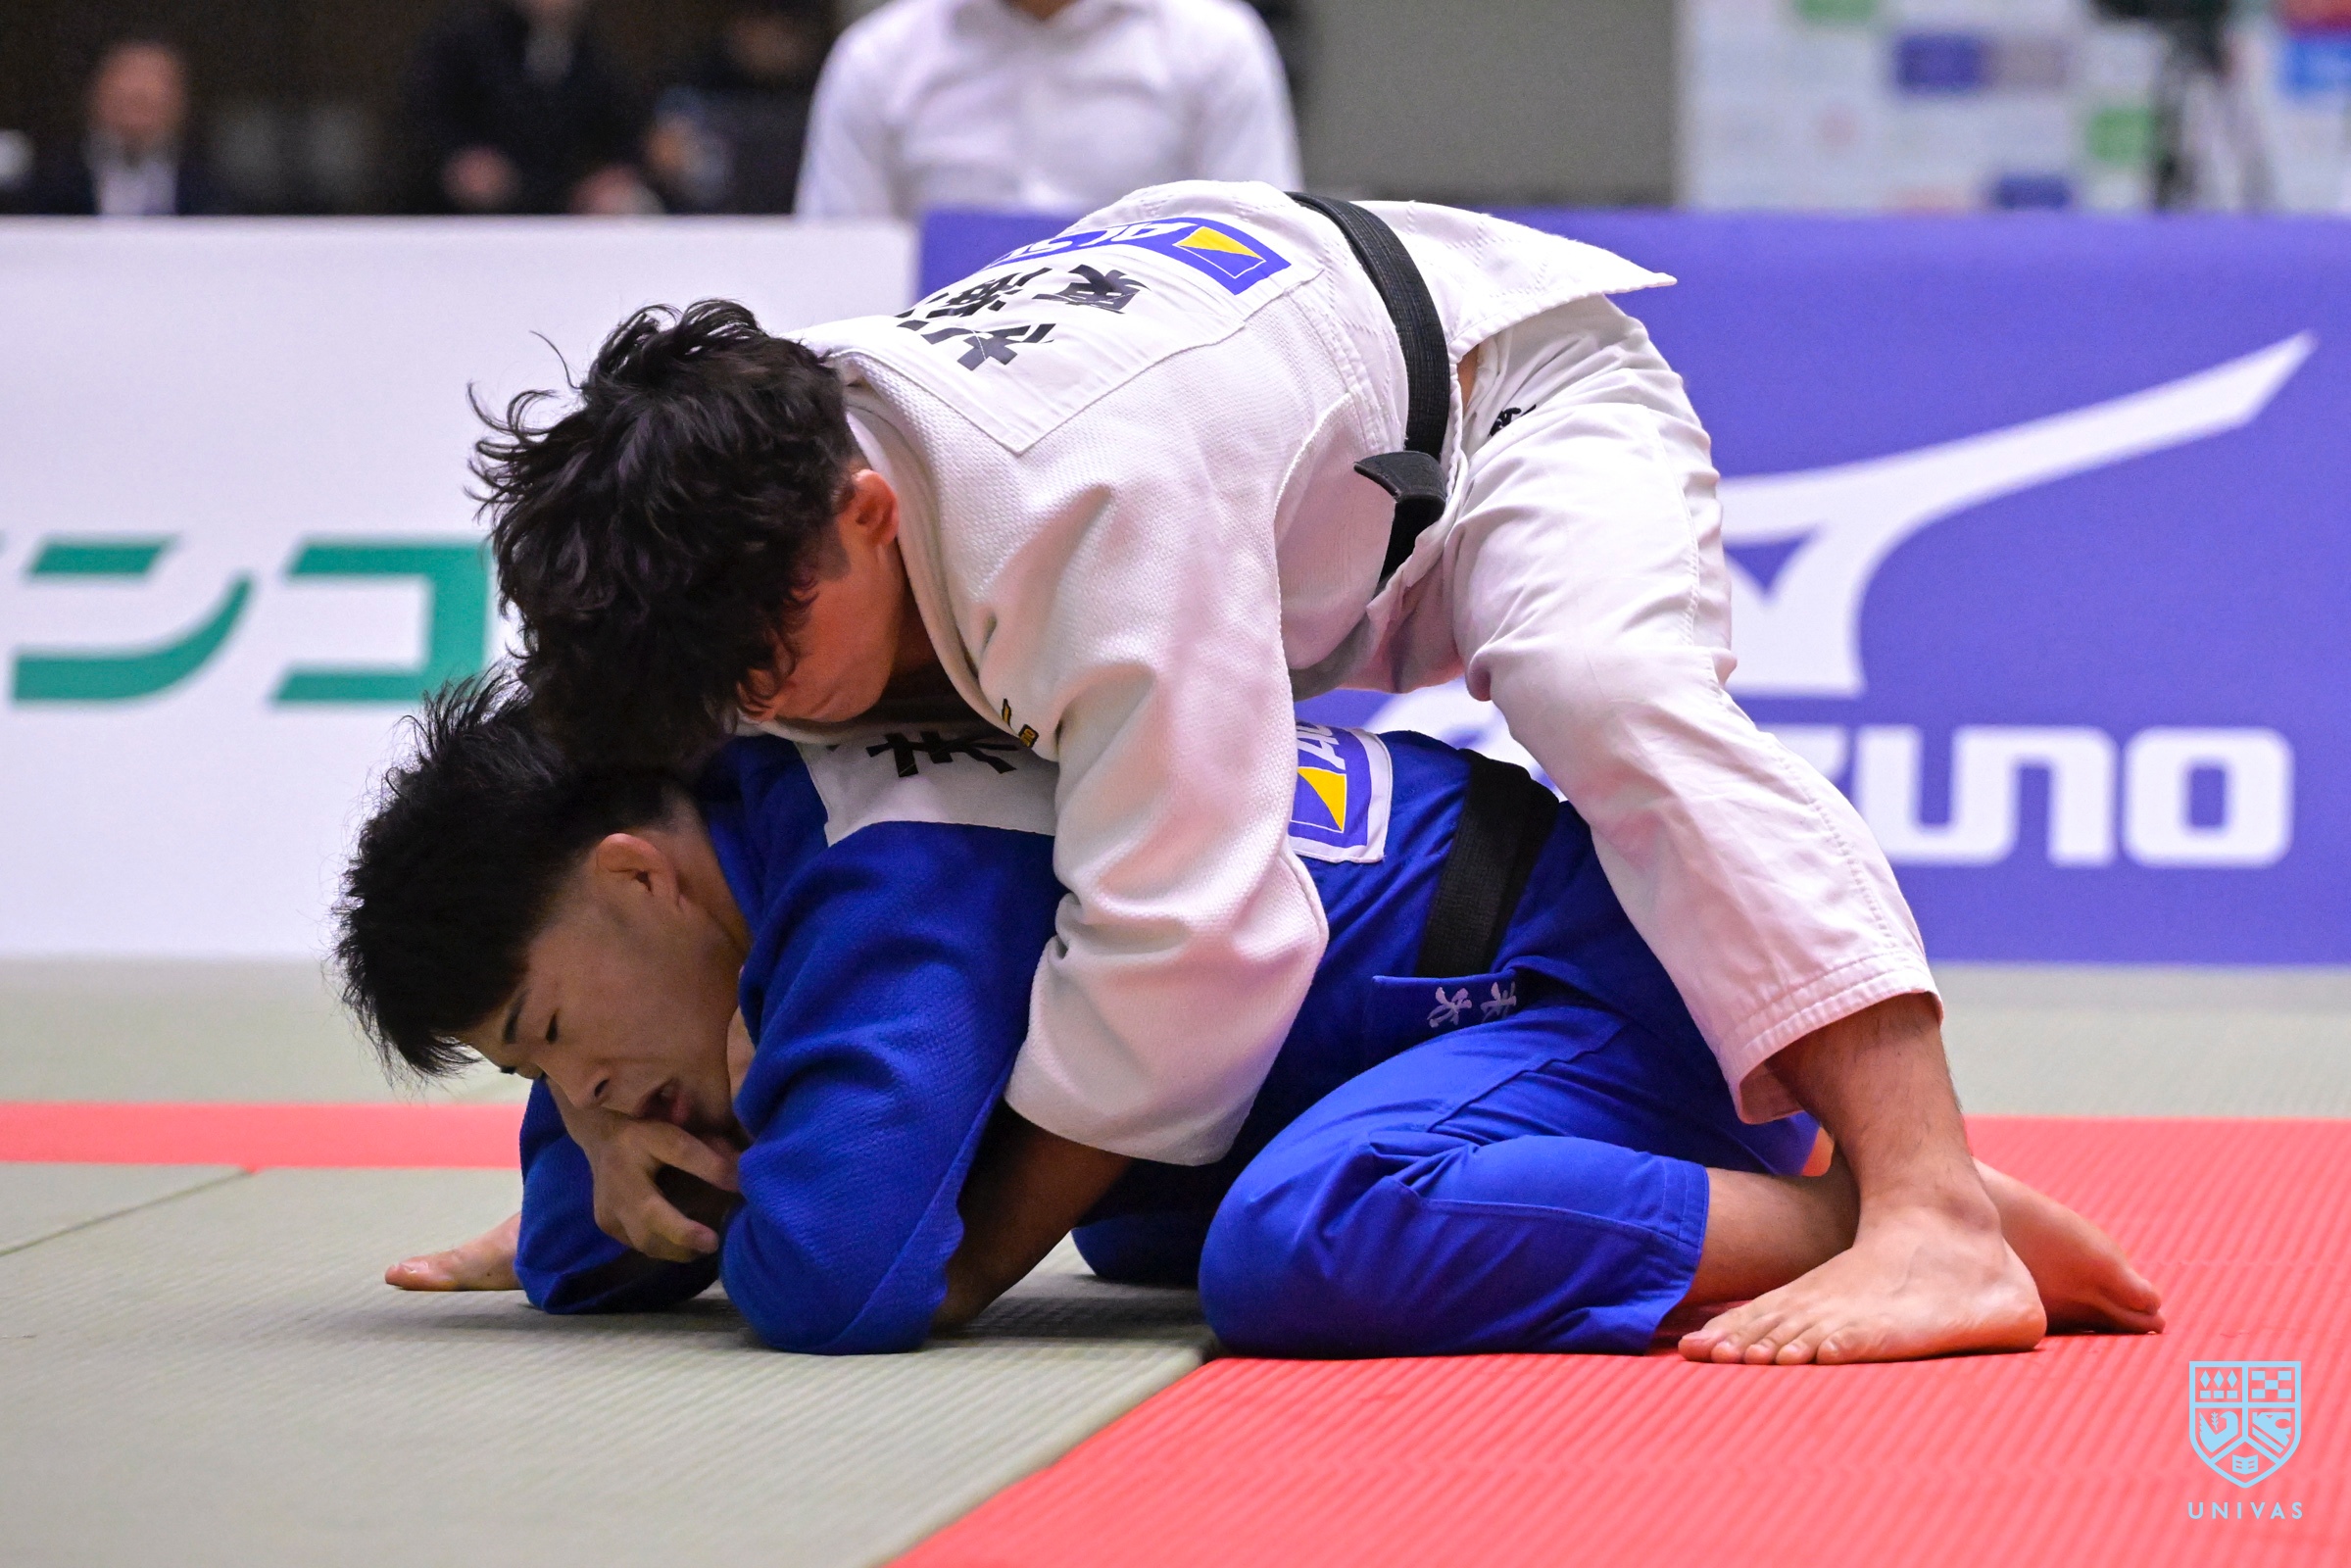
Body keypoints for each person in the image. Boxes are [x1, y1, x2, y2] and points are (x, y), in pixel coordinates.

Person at [481, 189, 2040, 1366]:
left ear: (868, 518)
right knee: (1165, 1205)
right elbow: (616, 865)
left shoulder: (1076, 523)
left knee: (1601, 687)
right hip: (1285, 460)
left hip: (1498, 405)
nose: (760, 716)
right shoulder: (719, 516)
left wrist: (956, 1267)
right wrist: (599, 1126)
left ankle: (1927, 1204)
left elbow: (1195, 953)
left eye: (769, 671)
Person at [347, 680, 2160, 1358]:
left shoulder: (881, 868)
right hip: (1448, 1012)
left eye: (551, 1031)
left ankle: (1877, 1216)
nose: (583, 1085)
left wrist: (627, 1174)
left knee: (1295, 1246)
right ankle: (1875, 1207)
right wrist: (594, 1154)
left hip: (1583, 996)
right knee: (1132, 1211)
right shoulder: (765, 815)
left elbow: (837, 1285)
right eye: (533, 1076)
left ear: (636, 874)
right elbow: (606, 1249)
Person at [795, 0, 1298, 220]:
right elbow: (839, 267)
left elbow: (1261, 254)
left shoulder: (1217, 45)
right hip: (923, 377)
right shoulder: (878, 58)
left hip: (1153, 371)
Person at [398, 0, 656, 216]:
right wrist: (460, 158)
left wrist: (613, 175)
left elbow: (624, 132)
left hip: (559, 204)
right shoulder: (464, 42)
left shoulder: (593, 56)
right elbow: (426, 117)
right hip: (464, 209)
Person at [643, 1, 834, 215]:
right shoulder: (703, 76)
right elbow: (664, 147)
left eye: (785, 30)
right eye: (760, 23)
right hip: (707, 218)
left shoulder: (823, 82)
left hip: (793, 215)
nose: (771, 38)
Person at [25, 39, 224, 218]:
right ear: (95, 94)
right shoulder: (47, 180)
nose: (139, 88)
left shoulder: (213, 185)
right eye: (126, 97)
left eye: (147, 100)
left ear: (181, 101)